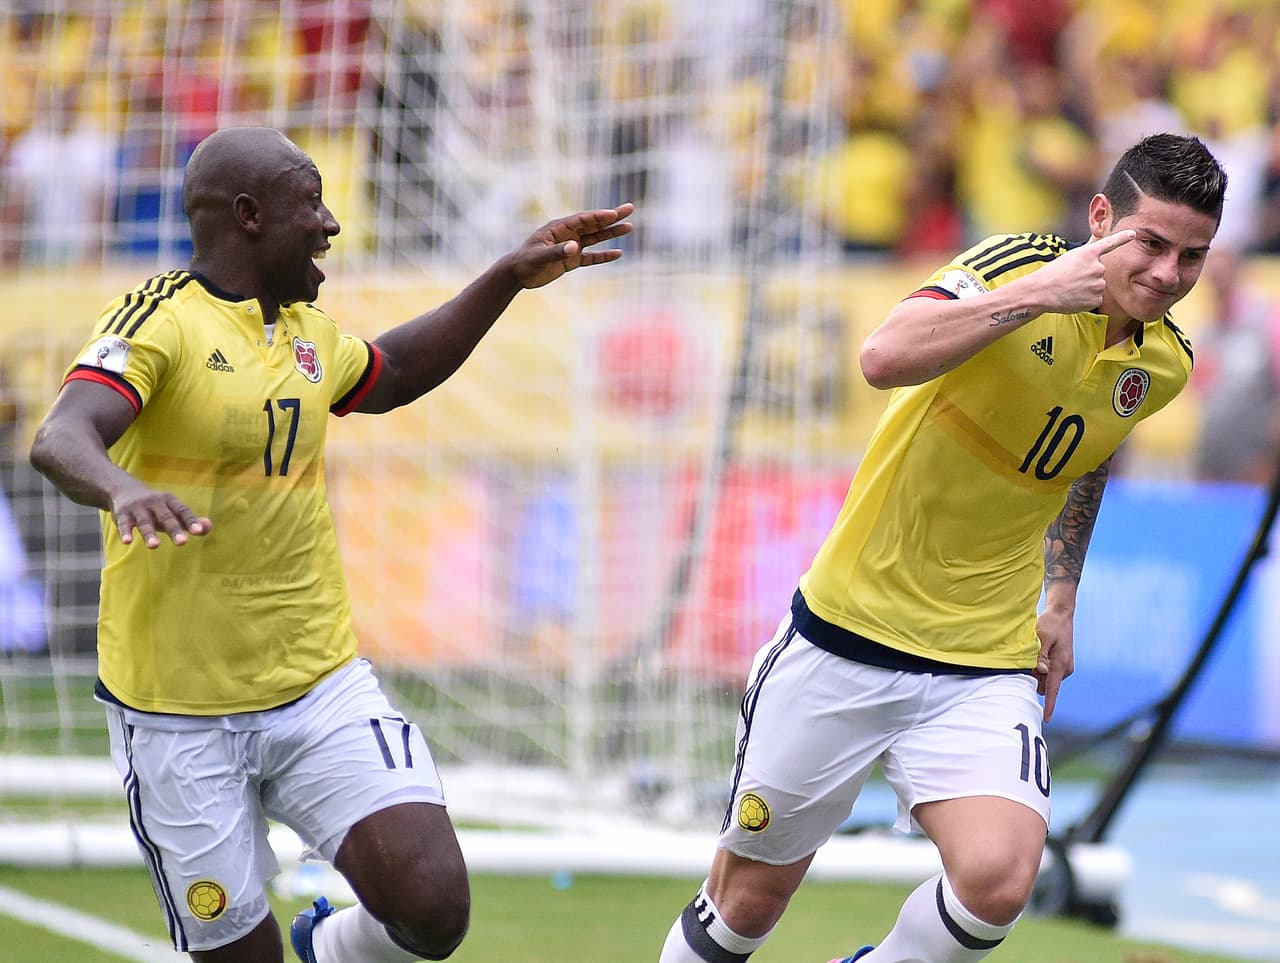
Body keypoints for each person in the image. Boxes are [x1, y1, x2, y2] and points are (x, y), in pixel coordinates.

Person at [27, 125, 632, 963]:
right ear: (248, 215)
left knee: (433, 905)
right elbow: (60, 436)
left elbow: (394, 373)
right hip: (176, 715)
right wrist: (122, 487)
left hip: (317, 687)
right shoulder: (160, 320)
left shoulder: (306, 332)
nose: (330, 223)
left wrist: (505, 277)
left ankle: (329, 949)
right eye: (309, 202)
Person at [658, 131, 1225, 963]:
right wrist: (1038, 294)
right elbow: (883, 355)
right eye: (1152, 243)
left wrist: (1062, 595)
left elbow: (1090, 454)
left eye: (1192, 256)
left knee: (999, 881)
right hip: (847, 633)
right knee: (747, 902)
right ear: (1102, 217)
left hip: (983, 657)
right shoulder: (1020, 263)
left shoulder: (1165, 362)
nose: (1169, 273)